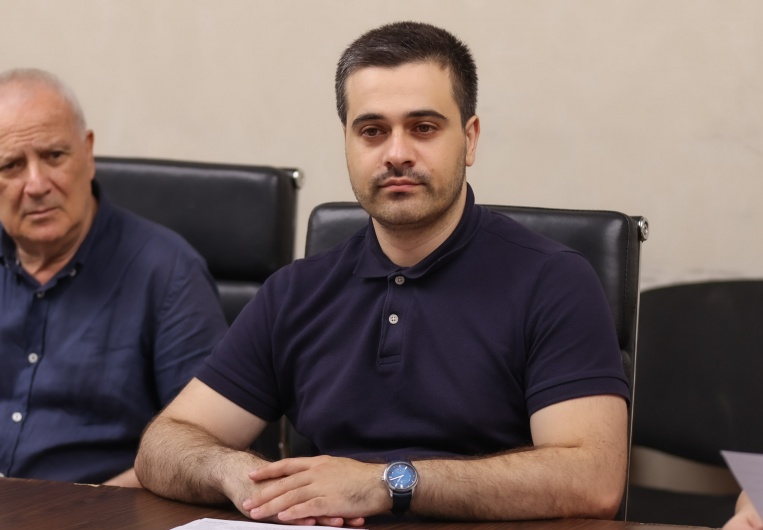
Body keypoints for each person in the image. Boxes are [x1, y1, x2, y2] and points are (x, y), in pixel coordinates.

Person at [135, 21, 629, 526]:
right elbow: (163, 445)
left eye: (424, 128)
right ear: (347, 143)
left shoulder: (553, 281)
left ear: (470, 139)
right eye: (372, 131)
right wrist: (233, 472)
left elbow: (593, 480)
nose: (396, 154)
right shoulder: (296, 291)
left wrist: (386, 484)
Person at [0, 68, 228, 487]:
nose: (36, 184)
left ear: (88, 153)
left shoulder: (168, 272)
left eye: (54, 156)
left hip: (100, 507)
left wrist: (85, 506)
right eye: (11, 165)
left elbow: (205, 445)